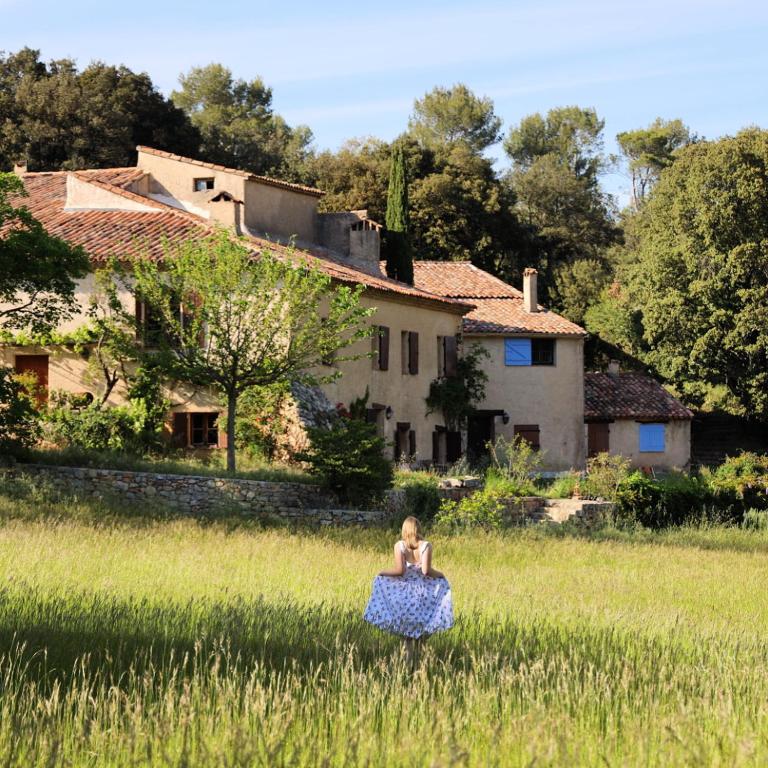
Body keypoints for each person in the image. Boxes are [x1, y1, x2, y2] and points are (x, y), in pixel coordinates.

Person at [363, 516, 453, 665]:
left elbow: (400, 571)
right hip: (424, 594)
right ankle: (422, 666)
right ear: (418, 528)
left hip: (405, 596)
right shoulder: (426, 546)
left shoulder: (399, 546)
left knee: (407, 636)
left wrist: (382, 572)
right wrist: (441, 574)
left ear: (405, 530)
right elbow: (426, 571)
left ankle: (407, 666)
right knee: (422, 632)